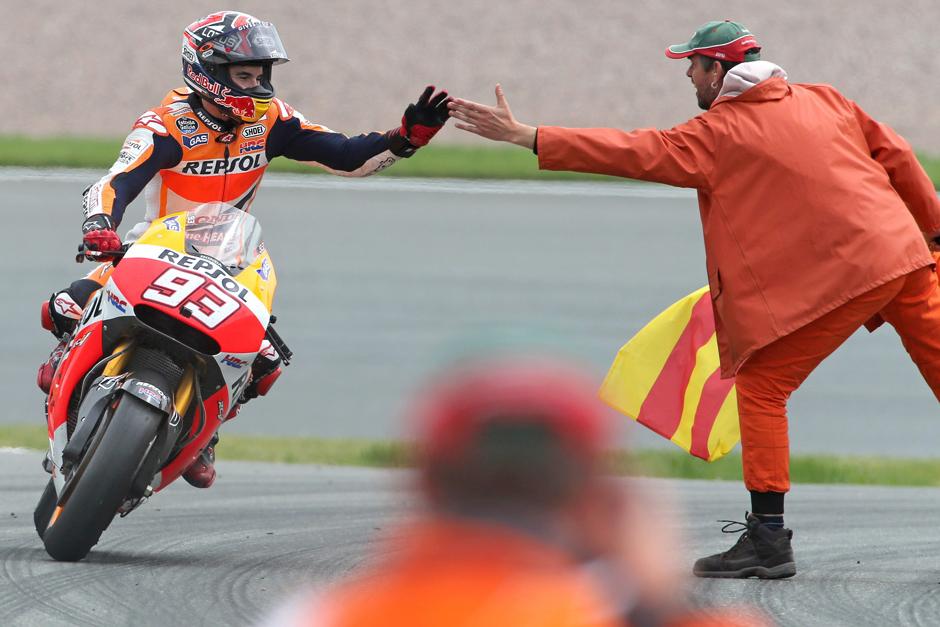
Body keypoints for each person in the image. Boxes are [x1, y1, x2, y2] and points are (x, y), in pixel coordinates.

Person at [447, 19, 940, 579]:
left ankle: (769, 540)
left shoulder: (715, 135)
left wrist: (527, 135)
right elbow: (898, 155)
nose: (687, 74)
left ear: (720, 70)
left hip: (850, 274)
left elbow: (633, 151)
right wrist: (935, 231)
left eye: (694, 64)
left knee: (762, 388)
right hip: (907, 256)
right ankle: (767, 538)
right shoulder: (826, 100)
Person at [37, 10, 452, 488]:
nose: (257, 85)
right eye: (244, 74)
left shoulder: (271, 119)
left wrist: (405, 139)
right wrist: (99, 226)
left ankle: (202, 432)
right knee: (65, 306)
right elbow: (116, 182)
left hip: (230, 260)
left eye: (261, 74)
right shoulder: (166, 124)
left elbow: (346, 157)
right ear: (208, 70)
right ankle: (68, 360)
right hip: (153, 248)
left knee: (265, 364)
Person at [263, 354, 769, 626]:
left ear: (424, 484)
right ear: (596, 498)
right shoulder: (607, 608)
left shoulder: (319, 616)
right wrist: (655, 598)